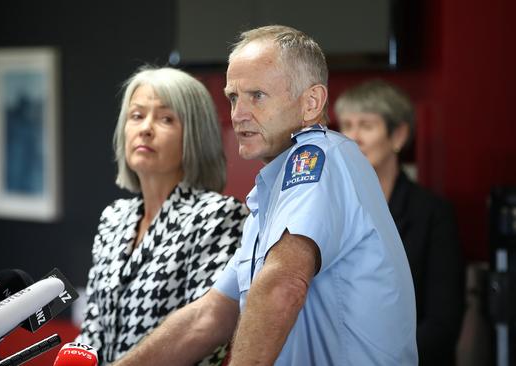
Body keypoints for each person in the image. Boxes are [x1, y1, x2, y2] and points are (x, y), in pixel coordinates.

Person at [113, 25, 417, 366]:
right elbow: (210, 317)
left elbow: (283, 285)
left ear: (312, 102)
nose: (238, 113)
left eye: (257, 95)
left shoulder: (318, 157)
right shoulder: (271, 193)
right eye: (233, 97)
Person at [76, 66, 249, 365]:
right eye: (137, 115)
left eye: (166, 118)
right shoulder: (113, 217)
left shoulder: (218, 217)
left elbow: (203, 335)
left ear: (195, 135)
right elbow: (92, 330)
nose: (146, 128)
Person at [335, 79, 465, 365]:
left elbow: (442, 323)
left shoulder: (432, 214)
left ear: (398, 136)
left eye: (366, 126)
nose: (353, 137)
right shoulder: (332, 208)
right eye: (346, 125)